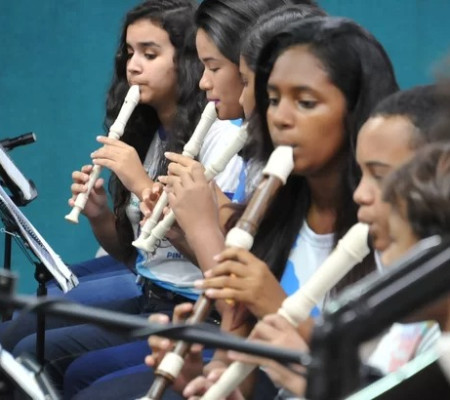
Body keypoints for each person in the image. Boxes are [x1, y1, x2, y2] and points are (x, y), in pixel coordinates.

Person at [66, 2, 326, 400]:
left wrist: (200, 221)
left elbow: (242, 306)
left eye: (219, 69)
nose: (206, 82)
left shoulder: (238, 145)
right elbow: (236, 327)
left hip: (214, 321)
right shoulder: (257, 162)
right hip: (205, 322)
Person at [146, 15, 400, 400]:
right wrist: (207, 377)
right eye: (274, 99)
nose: (280, 118)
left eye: (306, 102)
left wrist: (275, 305)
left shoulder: (393, 232)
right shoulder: (269, 214)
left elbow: (389, 384)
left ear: (355, 109)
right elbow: (239, 373)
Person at [6, 0, 244, 395]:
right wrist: (100, 216)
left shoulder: (221, 139)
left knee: (64, 363)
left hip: (195, 309)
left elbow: (215, 259)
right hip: (151, 295)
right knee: (29, 339)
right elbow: (136, 257)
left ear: (187, 62)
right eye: (129, 53)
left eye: (149, 54)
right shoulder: (149, 132)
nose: (133, 66)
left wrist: (141, 184)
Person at [187, 84, 450, 399]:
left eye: (381, 176)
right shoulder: (407, 317)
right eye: (273, 99)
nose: (361, 194)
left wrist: (319, 383)